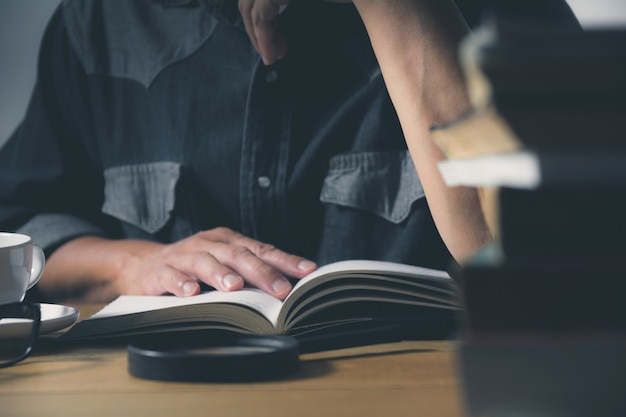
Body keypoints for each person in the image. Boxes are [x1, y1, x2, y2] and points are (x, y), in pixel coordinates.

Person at [0, 0, 575, 303]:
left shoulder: (505, 11)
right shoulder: (94, 24)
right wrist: (132, 264)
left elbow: (551, 268)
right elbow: (18, 228)